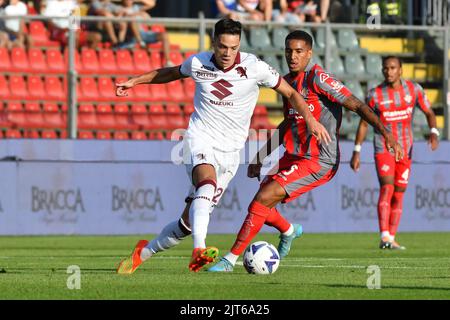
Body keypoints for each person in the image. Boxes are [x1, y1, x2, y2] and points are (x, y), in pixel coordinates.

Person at [114, 19, 330, 274]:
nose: (228, 53)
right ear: (214, 42)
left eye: (233, 47)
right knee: (207, 183)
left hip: (231, 153)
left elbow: (292, 94)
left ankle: (143, 252)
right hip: (199, 138)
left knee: (187, 224)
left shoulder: (255, 67)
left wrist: (310, 119)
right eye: (223, 46)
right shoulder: (198, 62)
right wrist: (135, 82)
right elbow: (171, 72)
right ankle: (199, 251)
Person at [207, 30, 403, 272]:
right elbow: (287, 123)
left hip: (319, 159)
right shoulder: (287, 83)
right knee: (258, 205)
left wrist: (385, 133)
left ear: (309, 53)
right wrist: (261, 156)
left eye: (299, 51)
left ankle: (230, 260)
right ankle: (289, 231)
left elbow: (358, 105)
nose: (293, 56)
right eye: (289, 51)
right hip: (293, 153)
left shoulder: (319, 79)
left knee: (262, 199)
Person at [350, 56, 439, 250]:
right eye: (385, 68)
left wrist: (433, 132)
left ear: (401, 70)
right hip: (383, 147)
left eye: (392, 68)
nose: (389, 72)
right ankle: (384, 237)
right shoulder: (374, 95)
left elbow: (430, 113)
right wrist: (356, 150)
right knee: (387, 188)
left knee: (399, 194)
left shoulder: (414, 90)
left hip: (406, 149)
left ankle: (391, 237)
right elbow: (364, 123)